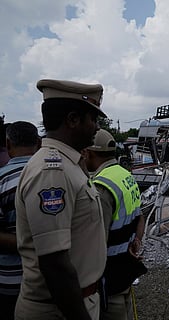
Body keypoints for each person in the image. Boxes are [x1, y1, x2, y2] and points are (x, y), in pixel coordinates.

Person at [14, 79, 108, 320]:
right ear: (73, 119)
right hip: (60, 309)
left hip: (76, 301)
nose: (97, 127)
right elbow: (54, 264)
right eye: (93, 119)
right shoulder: (52, 170)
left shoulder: (69, 164)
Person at [83, 129, 146, 320]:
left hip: (109, 278)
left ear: (88, 153)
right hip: (126, 268)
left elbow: (96, 242)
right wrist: (136, 241)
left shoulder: (101, 186)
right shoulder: (125, 175)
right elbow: (140, 216)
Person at [0, 121, 40, 320]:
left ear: (8, 145)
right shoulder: (57, 176)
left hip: (10, 281)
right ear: (39, 144)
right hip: (49, 280)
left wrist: (26, 244)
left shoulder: (2, 179)